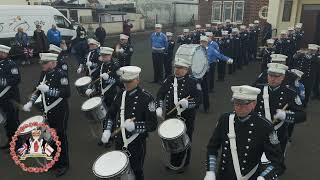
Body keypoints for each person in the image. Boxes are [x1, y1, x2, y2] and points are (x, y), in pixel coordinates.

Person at [204, 85, 285, 180]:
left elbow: (277, 162)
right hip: (223, 176)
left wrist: (264, 177)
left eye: (244, 104)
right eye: (236, 103)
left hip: (250, 177)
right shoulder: (225, 119)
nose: (239, 107)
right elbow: (212, 147)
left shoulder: (264, 126)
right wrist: (210, 171)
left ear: (254, 104)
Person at [101, 66, 158, 180]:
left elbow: (152, 124)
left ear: (137, 79)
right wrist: (107, 130)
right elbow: (110, 115)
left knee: (136, 171)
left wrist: (135, 126)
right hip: (119, 141)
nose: (126, 84)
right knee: (119, 171)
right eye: (124, 82)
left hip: (136, 143)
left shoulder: (147, 98)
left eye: (129, 81)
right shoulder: (120, 94)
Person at [23, 53, 70, 177]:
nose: (42, 65)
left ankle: (64, 164)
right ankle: (55, 161)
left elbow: (66, 93)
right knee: (51, 137)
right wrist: (30, 101)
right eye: (41, 63)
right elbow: (38, 89)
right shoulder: (44, 74)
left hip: (60, 111)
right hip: (48, 111)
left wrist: (49, 90)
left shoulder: (61, 74)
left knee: (60, 138)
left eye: (44, 63)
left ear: (52, 62)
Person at [156, 57, 201, 172]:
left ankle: (184, 163)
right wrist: (159, 107)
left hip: (186, 118)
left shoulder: (193, 81)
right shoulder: (170, 79)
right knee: (172, 139)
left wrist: (188, 103)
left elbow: (199, 99)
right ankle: (173, 161)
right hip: (171, 117)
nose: (177, 70)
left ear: (187, 69)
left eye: (180, 68)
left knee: (185, 140)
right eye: (176, 67)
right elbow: (160, 94)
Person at [254, 63, 306, 157]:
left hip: (278, 134)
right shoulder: (257, 90)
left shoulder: (290, 93)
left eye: (277, 76)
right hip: (257, 132)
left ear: (283, 77)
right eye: (271, 75)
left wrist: (286, 116)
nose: (273, 79)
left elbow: (302, 115)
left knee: (275, 161)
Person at [0, 45, 21, 149]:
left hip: (11, 98)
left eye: (1, 52)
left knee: (14, 122)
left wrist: (2, 82)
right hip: (2, 99)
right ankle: (10, 142)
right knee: (7, 123)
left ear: (5, 53)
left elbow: (17, 79)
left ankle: (19, 145)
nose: (0, 54)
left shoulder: (11, 65)